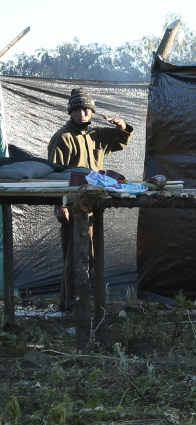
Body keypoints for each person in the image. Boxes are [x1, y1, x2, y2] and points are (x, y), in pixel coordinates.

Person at [49, 88, 134, 312]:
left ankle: (68, 303)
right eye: (76, 110)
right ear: (70, 112)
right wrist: (60, 205)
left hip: (92, 203)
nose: (81, 114)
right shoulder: (63, 138)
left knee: (84, 254)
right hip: (72, 204)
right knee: (76, 254)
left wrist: (121, 126)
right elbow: (53, 174)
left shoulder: (97, 134)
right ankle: (74, 305)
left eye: (86, 109)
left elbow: (119, 140)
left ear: (92, 112)